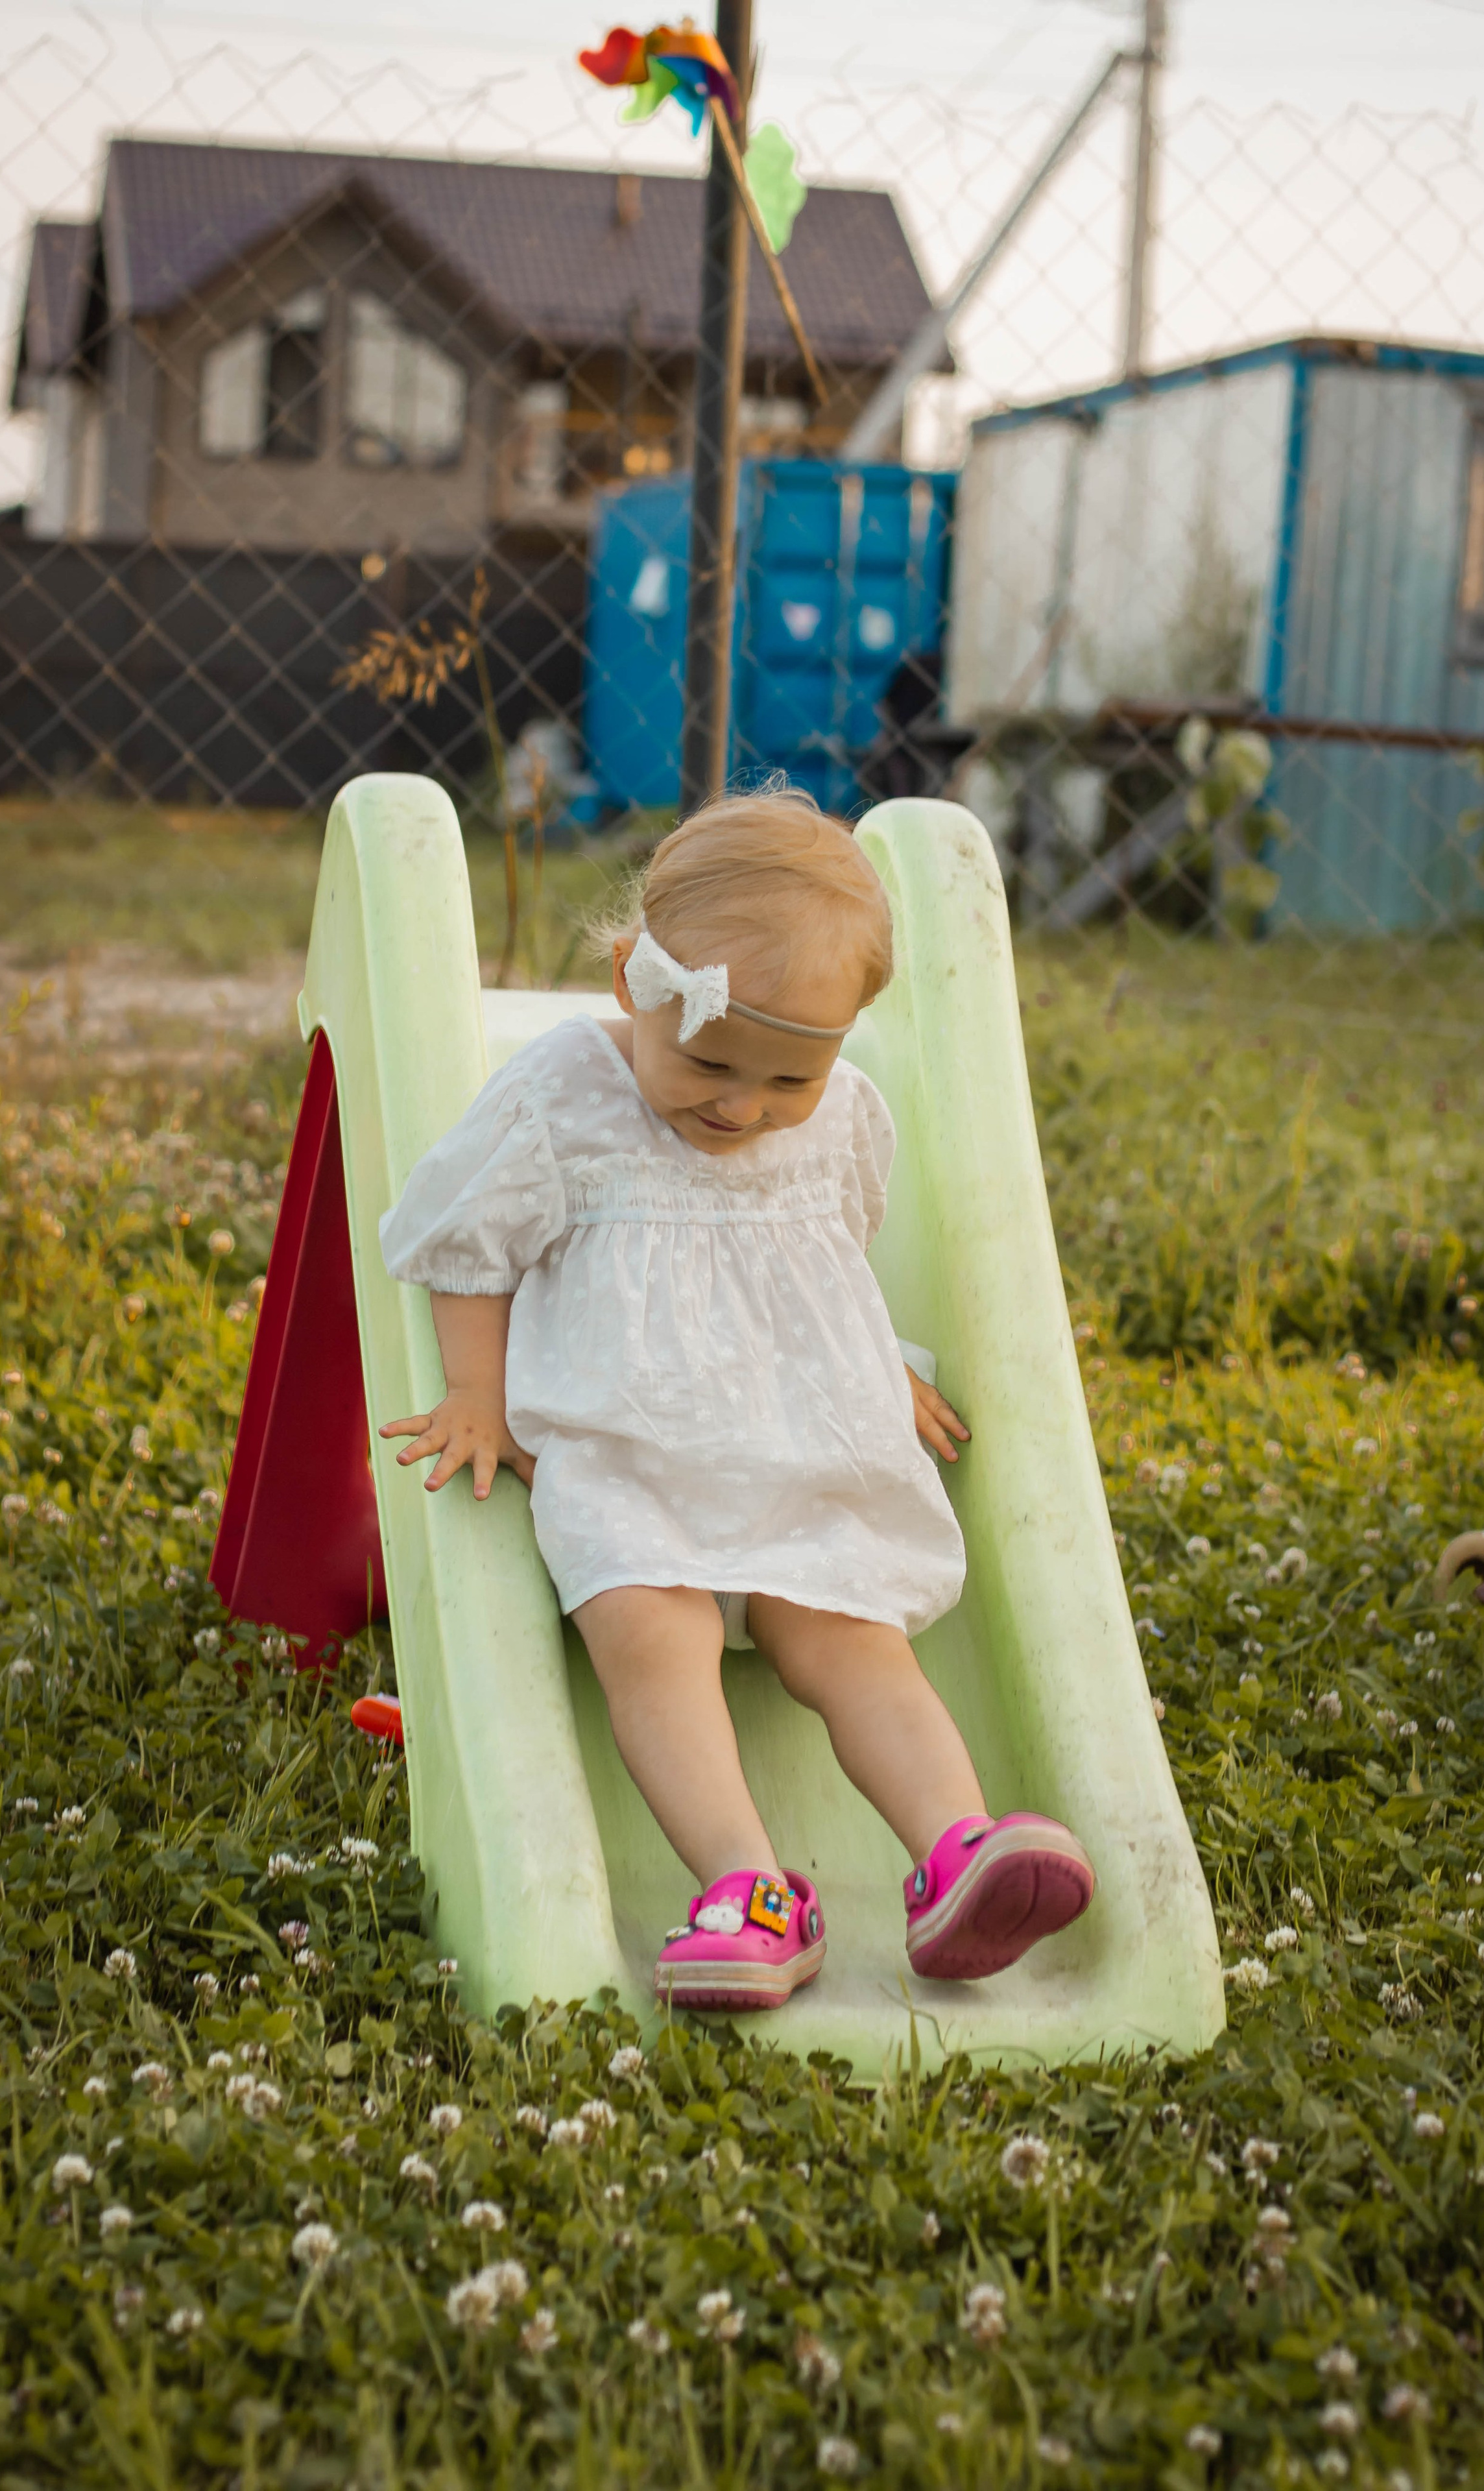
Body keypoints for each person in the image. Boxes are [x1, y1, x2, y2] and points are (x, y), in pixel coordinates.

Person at [377, 786, 1094, 2012]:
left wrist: (879, 1370)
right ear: (631, 982)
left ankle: (956, 1848)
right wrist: (476, 1396)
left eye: (789, 1079)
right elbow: (467, 1243)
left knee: (850, 1636)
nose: (744, 1106)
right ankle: (750, 1889)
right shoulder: (566, 1096)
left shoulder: (843, 1115)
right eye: (711, 1062)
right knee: (653, 1640)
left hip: (798, 1451)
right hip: (633, 1463)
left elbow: (820, 1269)